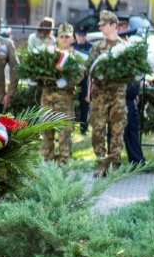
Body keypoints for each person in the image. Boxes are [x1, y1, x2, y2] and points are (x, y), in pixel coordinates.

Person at [87, 10, 128, 177]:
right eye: (100, 25)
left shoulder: (124, 48)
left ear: (114, 26)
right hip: (100, 96)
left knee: (117, 131)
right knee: (97, 130)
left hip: (118, 95)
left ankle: (114, 163)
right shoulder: (98, 47)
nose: (101, 28)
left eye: (103, 25)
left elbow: (132, 68)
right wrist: (97, 72)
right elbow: (87, 68)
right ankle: (101, 162)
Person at [40, 23, 78, 164]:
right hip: (47, 100)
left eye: (67, 37)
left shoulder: (75, 56)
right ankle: (47, 165)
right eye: (61, 36)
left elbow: (79, 76)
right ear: (56, 38)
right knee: (46, 134)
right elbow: (40, 71)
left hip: (65, 102)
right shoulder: (49, 54)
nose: (64, 39)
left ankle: (64, 166)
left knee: (65, 135)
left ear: (72, 39)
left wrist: (68, 82)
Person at [71, 25, 92, 135]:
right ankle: (70, 128)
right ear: (75, 35)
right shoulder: (71, 46)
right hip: (73, 78)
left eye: (83, 36)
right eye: (79, 35)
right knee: (71, 103)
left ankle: (84, 128)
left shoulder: (90, 46)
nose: (80, 37)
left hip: (85, 78)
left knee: (85, 103)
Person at [123, 83, 145, 165]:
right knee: (119, 132)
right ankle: (114, 161)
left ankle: (137, 160)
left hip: (131, 99)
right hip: (123, 98)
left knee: (132, 132)